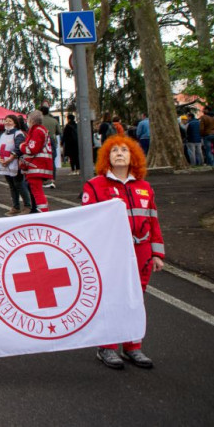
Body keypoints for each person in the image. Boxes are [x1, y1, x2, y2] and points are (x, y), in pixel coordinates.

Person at [80, 135, 164, 370]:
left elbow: (153, 221)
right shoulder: (94, 186)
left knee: (136, 298)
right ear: (107, 156)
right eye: (114, 150)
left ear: (133, 156)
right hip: (112, 251)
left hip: (141, 251)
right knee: (111, 297)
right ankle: (107, 346)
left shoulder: (145, 187)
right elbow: (88, 222)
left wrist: (157, 253)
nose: (119, 153)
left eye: (124, 150)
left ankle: (133, 346)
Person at [0, 115, 34, 216]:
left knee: (19, 185)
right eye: (6, 121)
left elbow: (19, 148)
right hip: (4, 164)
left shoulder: (18, 134)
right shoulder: (2, 135)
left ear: (15, 123)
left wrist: (9, 159)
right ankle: (16, 207)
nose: (7, 122)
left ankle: (27, 206)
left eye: (10, 121)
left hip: (15, 164)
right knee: (12, 186)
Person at [19, 110, 53, 213]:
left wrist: (22, 146)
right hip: (39, 164)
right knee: (36, 190)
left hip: (36, 165)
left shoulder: (37, 131)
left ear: (32, 120)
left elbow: (31, 149)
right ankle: (42, 209)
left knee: (37, 190)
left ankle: (43, 211)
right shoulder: (41, 130)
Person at [40, 105, 60, 188]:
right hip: (52, 141)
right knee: (52, 161)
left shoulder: (39, 121)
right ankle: (52, 180)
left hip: (41, 141)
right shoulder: (54, 120)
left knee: (41, 160)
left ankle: (43, 179)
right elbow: (59, 132)